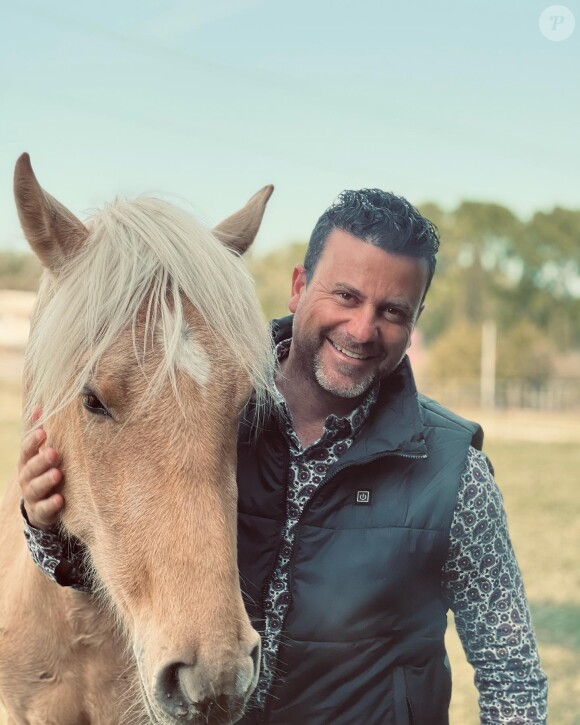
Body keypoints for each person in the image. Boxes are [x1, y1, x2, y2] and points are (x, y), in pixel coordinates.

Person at [19, 189, 547, 724]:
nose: (362, 330)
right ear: (298, 287)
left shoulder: (455, 474)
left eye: (391, 311)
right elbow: (117, 575)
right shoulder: (209, 416)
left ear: (415, 320)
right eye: (345, 295)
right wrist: (44, 526)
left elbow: (511, 673)